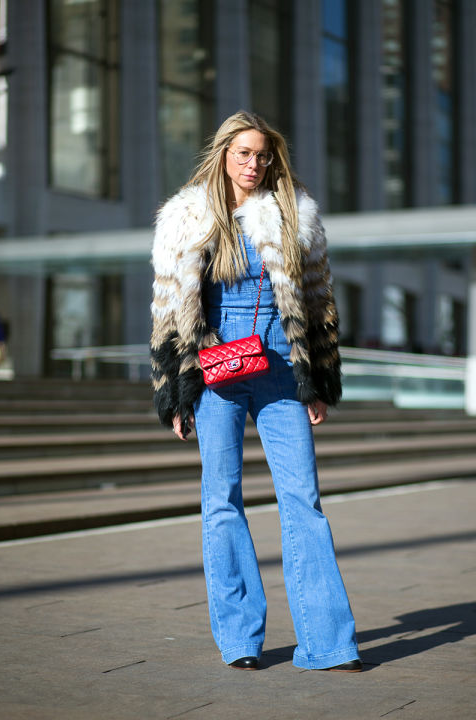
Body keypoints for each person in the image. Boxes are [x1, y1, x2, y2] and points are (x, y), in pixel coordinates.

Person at [150, 110, 361, 672]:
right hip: (216, 375)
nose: (254, 163)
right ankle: (241, 639)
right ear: (223, 154)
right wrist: (176, 391)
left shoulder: (295, 214)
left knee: (304, 502)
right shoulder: (188, 216)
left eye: (262, 154)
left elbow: (318, 304)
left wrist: (316, 382)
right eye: (243, 153)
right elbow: (170, 311)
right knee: (221, 502)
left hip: (279, 372)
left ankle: (328, 643)